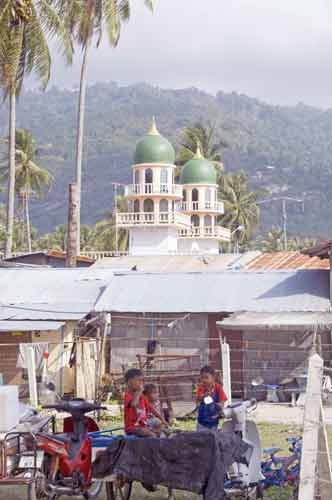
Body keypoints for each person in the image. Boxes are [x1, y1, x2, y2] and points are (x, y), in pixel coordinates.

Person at [124, 368, 168, 437]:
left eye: (142, 381)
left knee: (160, 430)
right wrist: (139, 392)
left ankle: (158, 439)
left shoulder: (142, 397)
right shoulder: (128, 395)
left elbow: (151, 409)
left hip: (143, 425)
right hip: (132, 428)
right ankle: (154, 444)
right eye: (139, 380)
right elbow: (133, 404)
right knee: (150, 434)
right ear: (130, 382)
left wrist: (162, 419)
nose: (141, 383)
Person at [196, 365, 227, 432]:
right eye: (202, 378)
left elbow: (222, 400)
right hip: (202, 421)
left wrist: (220, 405)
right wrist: (204, 396)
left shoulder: (218, 388)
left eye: (206, 377)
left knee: (212, 437)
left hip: (213, 420)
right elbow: (198, 399)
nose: (204, 380)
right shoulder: (201, 388)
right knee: (201, 438)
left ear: (213, 378)